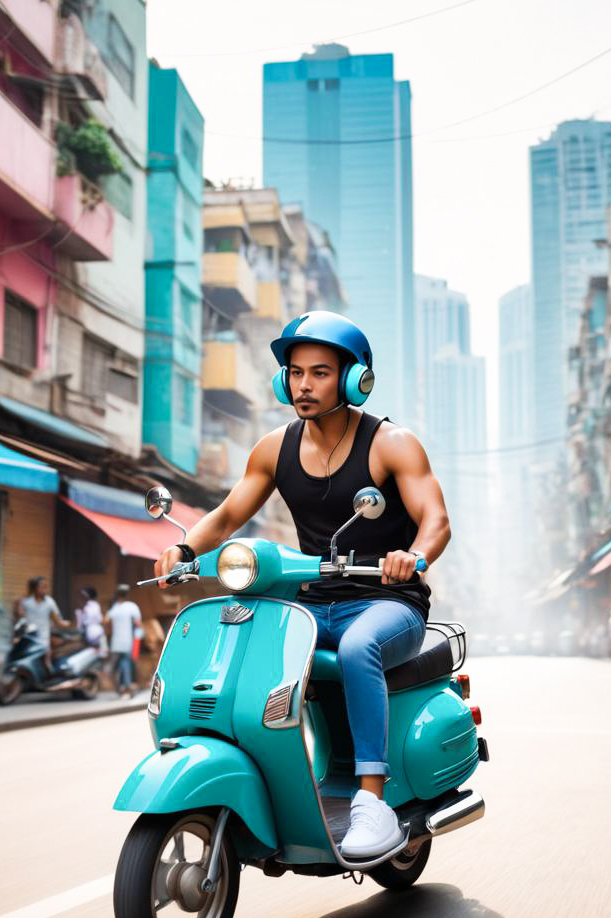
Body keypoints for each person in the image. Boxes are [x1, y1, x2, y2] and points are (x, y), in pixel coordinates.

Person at [152, 311, 451, 858]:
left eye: (319, 372)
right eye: (294, 373)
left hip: (389, 603)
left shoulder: (391, 443)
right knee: (250, 646)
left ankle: (371, 802)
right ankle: (271, 780)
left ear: (355, 378)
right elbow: (226, 515)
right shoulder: (274, 448)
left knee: (361, 649)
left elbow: (436, 519)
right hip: (314, 601)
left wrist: (413, 556)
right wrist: (187, 548)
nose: (304, 385)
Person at [16, 577, 70, 669]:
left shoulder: (49, 602)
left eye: (46, 587)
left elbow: (58, 621)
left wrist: (67, 624)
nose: (44, 590)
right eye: (42, 587)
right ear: (35, 588)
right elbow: (20, 616)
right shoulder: (26, 602)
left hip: (43, 641)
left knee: (46, 664)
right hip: (29, 639)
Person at [106, 584, 141, 697]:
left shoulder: (114, 608)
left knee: (115, 666)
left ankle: (120, 688)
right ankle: (127, 687)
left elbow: (106, 621)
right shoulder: (131, 606)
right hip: (127, 641)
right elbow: (138, 623)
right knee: (125, 664)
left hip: (115, 643)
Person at [78, 586, 106, 652]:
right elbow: (100, 619)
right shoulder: (96, 605)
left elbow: (81, 623)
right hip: (98, 632)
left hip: (90, 633)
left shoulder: (87, 607)